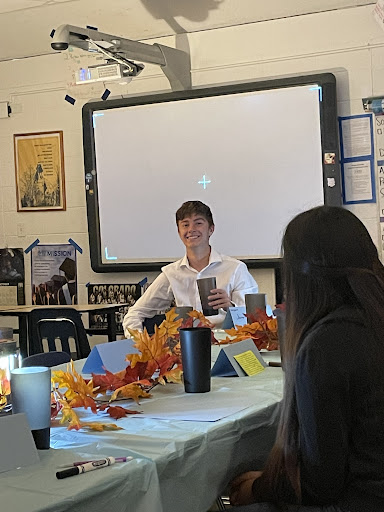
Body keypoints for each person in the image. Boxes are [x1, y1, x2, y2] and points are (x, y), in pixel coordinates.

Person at [229, 205, 384, 512]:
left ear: (299, 276)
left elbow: (320, 485)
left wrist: (258, 488)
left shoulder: (326, 344)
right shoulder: (370, 319)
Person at [123, 201, 258, 334]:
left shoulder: (235, 268)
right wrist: (141, 344)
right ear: (179, 231)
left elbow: (255, 319)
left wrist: (230, 307)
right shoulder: (172, 273)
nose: (191, 229)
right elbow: (134, 314)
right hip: (187, 345)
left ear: (211, 229)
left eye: (198, 223)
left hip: (229, 342)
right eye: (185, 224)